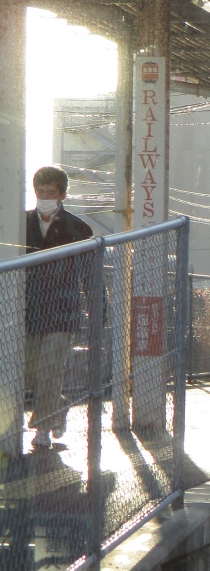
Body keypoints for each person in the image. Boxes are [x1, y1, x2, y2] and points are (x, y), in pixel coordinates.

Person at [25, 166, 93, 451]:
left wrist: (97, 311)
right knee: (27, 372)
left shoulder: (78, 228)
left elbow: (90, 274)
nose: (44, 197)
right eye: (40, 192)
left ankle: (41, 430)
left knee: (49, 372)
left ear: (63, 195)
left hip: (63, 311)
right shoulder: (20, 223)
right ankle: (58, 404)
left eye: (50, 192)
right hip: (26, 310)